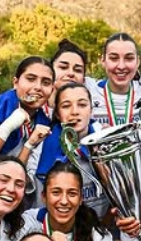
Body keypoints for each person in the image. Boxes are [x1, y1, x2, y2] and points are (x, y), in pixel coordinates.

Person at [34, 82, 109, 219]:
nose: (75, 112)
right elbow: (40, 204)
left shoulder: (106, 141)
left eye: (82, 105)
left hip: (101, 228)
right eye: (66, 106)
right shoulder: (42, 149)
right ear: (57, 113)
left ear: (91, 110)